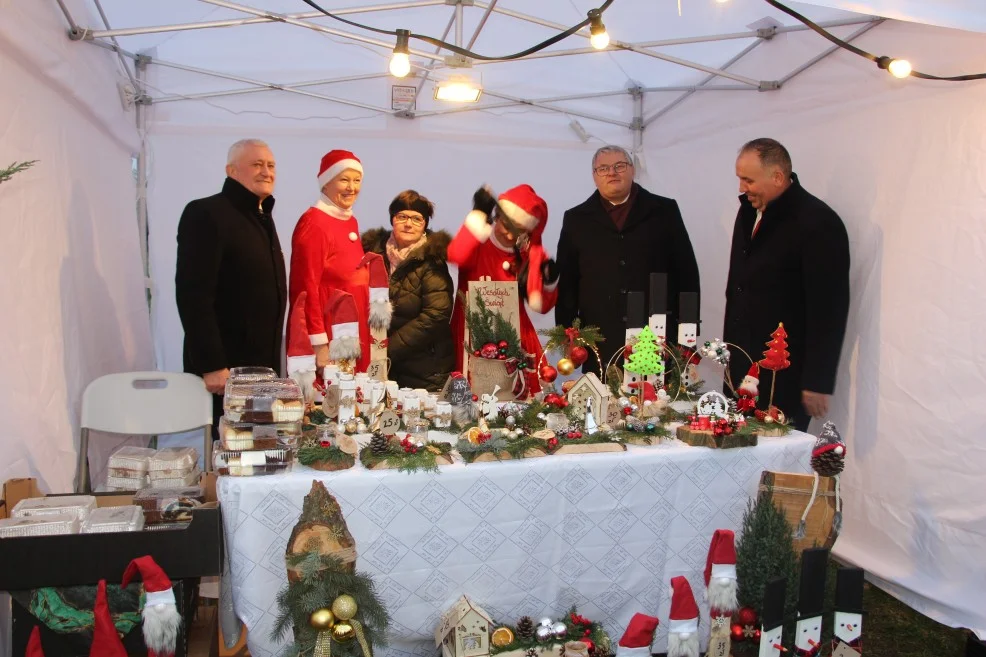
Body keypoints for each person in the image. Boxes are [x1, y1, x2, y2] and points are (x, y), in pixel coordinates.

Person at [725, 138, 850, 431]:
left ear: (778, 177)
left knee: (777, 462)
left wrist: (817, 381)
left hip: (783, 373)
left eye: (748, 179)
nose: (742, 188)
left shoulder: (818, 223)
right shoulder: (748, 211)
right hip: (742, 364)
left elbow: (829, 309)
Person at [555, 145, 700, 374]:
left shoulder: (664, 211)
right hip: (599, 339)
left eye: (619, 166)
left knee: (656, 407)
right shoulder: (576, 219)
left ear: (632, 170)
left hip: (655, 336)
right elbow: (568, 284)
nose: (612, 173)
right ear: (594, 177)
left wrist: (686, 332)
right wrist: (567, 334)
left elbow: (686, 272)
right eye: (603, 168)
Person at [175, 138, 287, 432]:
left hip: (261, 367)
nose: (266, 171)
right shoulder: (206, 213)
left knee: (258, 447)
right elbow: (193, 294)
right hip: (225, 371)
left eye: (271, 165)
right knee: (227, 450)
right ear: (231, 170)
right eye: (256, 164)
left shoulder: (261, 217)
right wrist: (211, 364)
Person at [448, 184, 559, 398]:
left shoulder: (531, 255)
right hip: (472, 333)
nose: (509, 234)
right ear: (497, 217)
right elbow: (456, 255)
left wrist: (549, 281)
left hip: (516, 334)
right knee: (473, 398)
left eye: (518, 229)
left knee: (522, 400)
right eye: (506, 224)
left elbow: (542, 305)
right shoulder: (479, 241)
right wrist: (478, 214)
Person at [286, 150, 386, 386]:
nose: (352, 187)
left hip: (350, 328)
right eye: (344, 179)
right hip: (331, 329)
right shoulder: (314, 223)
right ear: (325, 184)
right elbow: (305, 286)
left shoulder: (349, 219)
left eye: (357, 180)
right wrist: (319, 344)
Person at [361, 190, 454, 391]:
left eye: (416, 219)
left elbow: (436, 314)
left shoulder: (433, 260)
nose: (408, 224)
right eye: (402, 216)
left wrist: (387, 348)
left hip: (424, 371)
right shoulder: (372, 254)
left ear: (425, 225)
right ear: (392, 219)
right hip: (379, 367)